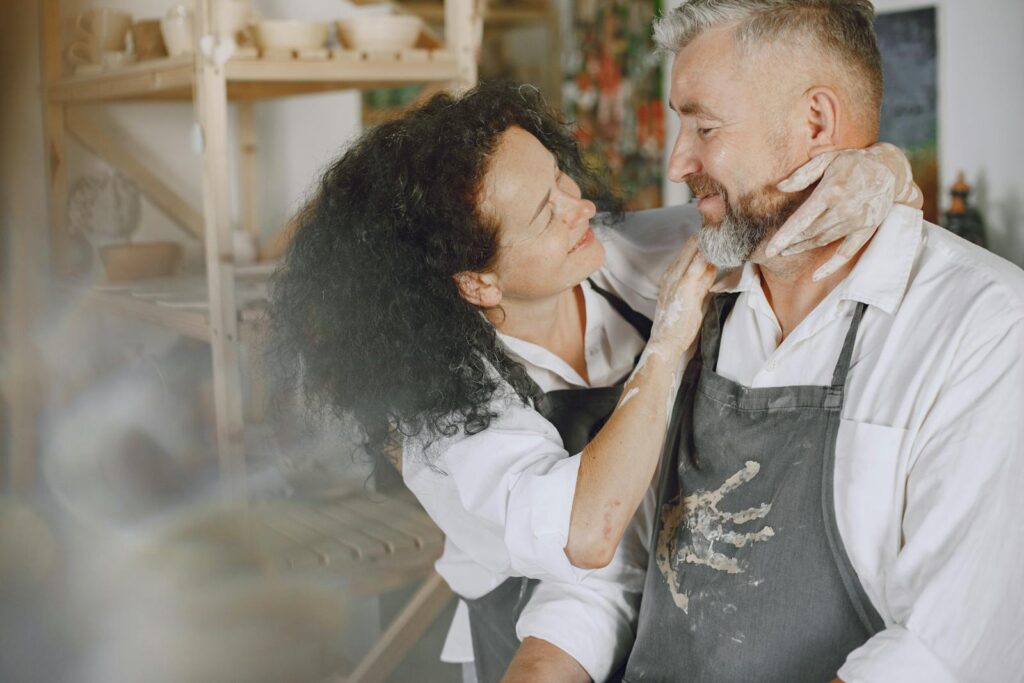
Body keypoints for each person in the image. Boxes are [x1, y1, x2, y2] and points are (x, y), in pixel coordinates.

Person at [268, 81, 921, 683]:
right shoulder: (439, 419)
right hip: (552, 612)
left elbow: (766, 220)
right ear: (477, 282)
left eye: (561, 179)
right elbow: (587, 532)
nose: (581, 206)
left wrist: (884, 168)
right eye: (546, 215)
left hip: (677, 580)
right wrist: (665, 346)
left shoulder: (615, 256)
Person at [506, 1, 1024, 682]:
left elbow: (934, 655)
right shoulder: (690, 300)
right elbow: (613, 575)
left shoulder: (981, 326)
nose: (677, 159)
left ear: (815, 122)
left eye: (704, 126)